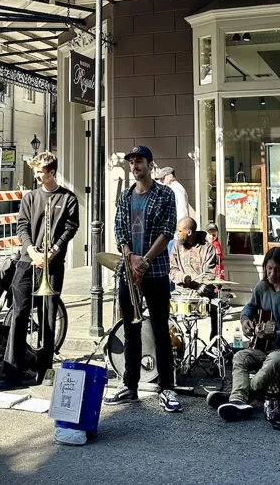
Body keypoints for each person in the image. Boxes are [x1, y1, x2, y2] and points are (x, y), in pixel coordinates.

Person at [104, 145, 181, 413]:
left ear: (151, 164)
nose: (135, 166)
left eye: (140, 161)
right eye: (132, 162)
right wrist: (130, 258)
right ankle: (130, 386)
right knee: (130, 331)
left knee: (160, 332)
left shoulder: (165, 194)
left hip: (156, 271)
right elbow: (120, 231)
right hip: (129, 272)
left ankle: (167, 389)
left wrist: (144, 260)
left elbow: (167, 231)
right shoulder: (125, 197)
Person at [0, 152, 79, 390]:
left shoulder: (68, 198)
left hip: (53, 263)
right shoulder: (30, 198)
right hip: (27, 261)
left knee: (48, 317)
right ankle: (12, 370)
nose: (36, 176)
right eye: (35, 171)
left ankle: (44, 371)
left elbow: (70, 227)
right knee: (19, 314)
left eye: (40, 172)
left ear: (52, 172)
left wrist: (53, 249)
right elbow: (22, 225)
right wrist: (32, 250)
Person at [207, 247, 280, 422]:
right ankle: (238, 400)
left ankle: (240, 397)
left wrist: (275, 335)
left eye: (277, 270)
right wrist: (245, 319)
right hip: (266, 349)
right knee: (240, 357)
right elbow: (250, 307)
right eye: (269, 269)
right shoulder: (262, 288)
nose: (272, 274)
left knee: (273, 361)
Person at [169, 217, 221, 339]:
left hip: (202, 291)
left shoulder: (208, 248)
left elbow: (209, 274)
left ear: (189, 232)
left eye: (179, 231)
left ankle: (214, 343)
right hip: (181, 290)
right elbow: (172, 269)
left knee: (216, 306)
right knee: (165, 306)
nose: (177, 234)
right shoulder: (177, 245)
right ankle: (173, 343)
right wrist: (183, 277)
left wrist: (199, 291)